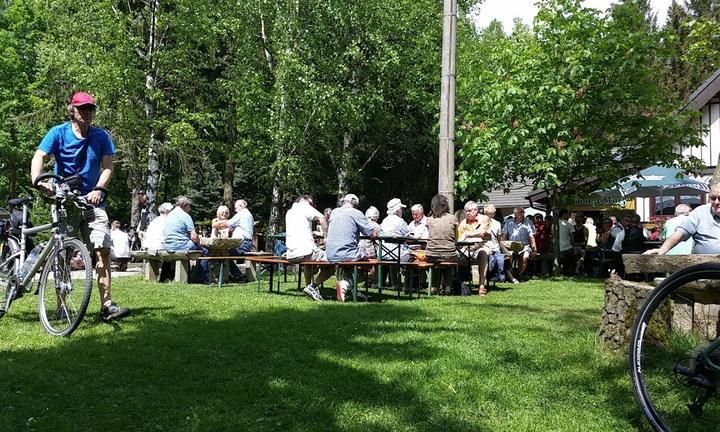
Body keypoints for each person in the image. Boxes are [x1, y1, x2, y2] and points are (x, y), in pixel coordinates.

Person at [31, 91, 130, 322]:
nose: (87, 112)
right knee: (63, 252)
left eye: (91, 108)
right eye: (82, 108)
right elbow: (39, 156)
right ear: (72, 110)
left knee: (102, 249)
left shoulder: (101, 136)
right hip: (64, 199)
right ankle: (61, 305)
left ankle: (107, 306)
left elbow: (108, 167)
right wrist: (39, 180)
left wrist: (98, 188)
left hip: (94, 201)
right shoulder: (58, 133)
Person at [325, 194, 377, 302]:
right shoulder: (356, 213)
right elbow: (370, 233)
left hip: (330, 253)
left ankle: (350, 290)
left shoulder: (334, 212)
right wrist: (376, 232)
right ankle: (346, 284)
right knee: (372, 269)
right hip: (348, 253)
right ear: (355, 204)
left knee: (347, 267)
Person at [285, 194, 333, 302]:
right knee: (334, 261)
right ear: (302, 200)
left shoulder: (289, 212)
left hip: (291, 255)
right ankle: (313, 287)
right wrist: (326, 238)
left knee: (308, 261)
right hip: (306, 252)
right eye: (310, 203)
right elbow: (322, 218)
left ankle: (308, 287)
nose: (311, 205)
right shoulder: (304, 207)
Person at [647, 185, 720, 255]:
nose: (716, 202)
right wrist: (662, 249)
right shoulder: (700, 212)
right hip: (705, 264)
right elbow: (680, 233)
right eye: (713, 198)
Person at [163, 196, 209, 283]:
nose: (190, 208)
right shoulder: (185, 216)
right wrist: (201, 242)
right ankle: (201, 278)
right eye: (189, 206)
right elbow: (194, 237)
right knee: (205, 251)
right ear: (184, 205)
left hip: (167, 245)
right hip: (181, 245)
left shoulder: (169, 215)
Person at [425, 194, 459, 294]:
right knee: (450, 261)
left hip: (432, 254)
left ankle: (434, 287)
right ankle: (448, 287)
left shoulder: (429, 220)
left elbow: (430, 235)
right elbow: (456, 239)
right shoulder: (453, 219)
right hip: (449, 253)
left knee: (436, 261)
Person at [456, 201, 489, 296]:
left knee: (483, 253)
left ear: (476, 210)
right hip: (465, 249)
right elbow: (460, 238)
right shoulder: (463, 222)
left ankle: (481, 286)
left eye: (469, 211)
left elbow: (483, 233)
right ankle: (450, 285)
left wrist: (467, 234)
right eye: (466, 211)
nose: (467, 213)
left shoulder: (484, 218)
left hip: (481, 246)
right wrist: (474, 234)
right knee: (451, 254)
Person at [380, 198, 411, 290]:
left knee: (393, 258)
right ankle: (408, 286)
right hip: (397, 254)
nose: (402, 211)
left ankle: (395, 284)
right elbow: (408, 236)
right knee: (411, 257)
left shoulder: (384, 221)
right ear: (397, 210)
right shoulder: (400, 221)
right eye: (401, 209)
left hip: (383, 254)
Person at [502, 207, 537, 280]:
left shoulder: (528, 222)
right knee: (508, 257)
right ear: (515, 214)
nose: (523, 213)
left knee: (525, 257)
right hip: (511, 245)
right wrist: (504, 246)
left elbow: (531, 237)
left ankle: (518, 274)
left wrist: (534, 250)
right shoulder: (509, 222)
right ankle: (509, 275)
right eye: (521, 212)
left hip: (524, 245)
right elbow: (504, 236)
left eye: (523, 212)